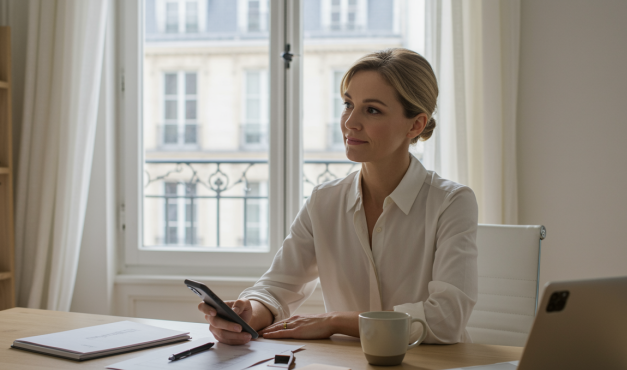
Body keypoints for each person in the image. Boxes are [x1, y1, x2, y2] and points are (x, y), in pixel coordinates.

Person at [198, 48, 478, 345]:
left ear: (416, 124)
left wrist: (334, 321)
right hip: (348, 368)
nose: (349, 122)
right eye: (348, 104)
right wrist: (247, 315)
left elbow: (446, 319)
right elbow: (277, 286)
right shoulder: (324, 201)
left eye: (372, 110)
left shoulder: (452, 202)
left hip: (431, 367)